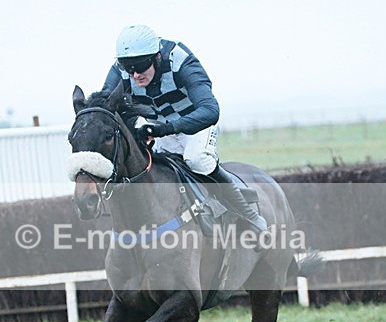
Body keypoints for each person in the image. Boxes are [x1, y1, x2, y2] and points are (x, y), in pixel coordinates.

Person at [102, 24, 267, 234]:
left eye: (141, 66)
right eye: (128, 68)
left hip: (194, 125)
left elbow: (210, 110)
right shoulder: (121, 70)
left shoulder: (181, 60)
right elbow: (106, 106)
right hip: (159, 127)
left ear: (157, 57)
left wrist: (166, 128)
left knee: (197, 160)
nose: (135, 75)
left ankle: (249, 215)